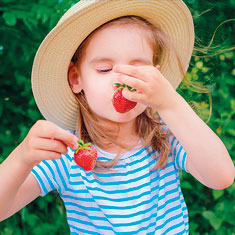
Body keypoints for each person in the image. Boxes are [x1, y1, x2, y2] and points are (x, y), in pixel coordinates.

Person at [0, 0, 234, 234]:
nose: (122, 82)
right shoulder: (67, 152)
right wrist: (22, 158)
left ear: (157, 77)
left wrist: (170, 103)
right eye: (104, 69)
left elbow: (221, 177)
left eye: (139, 70)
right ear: (75, 78)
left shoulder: (167, 134)